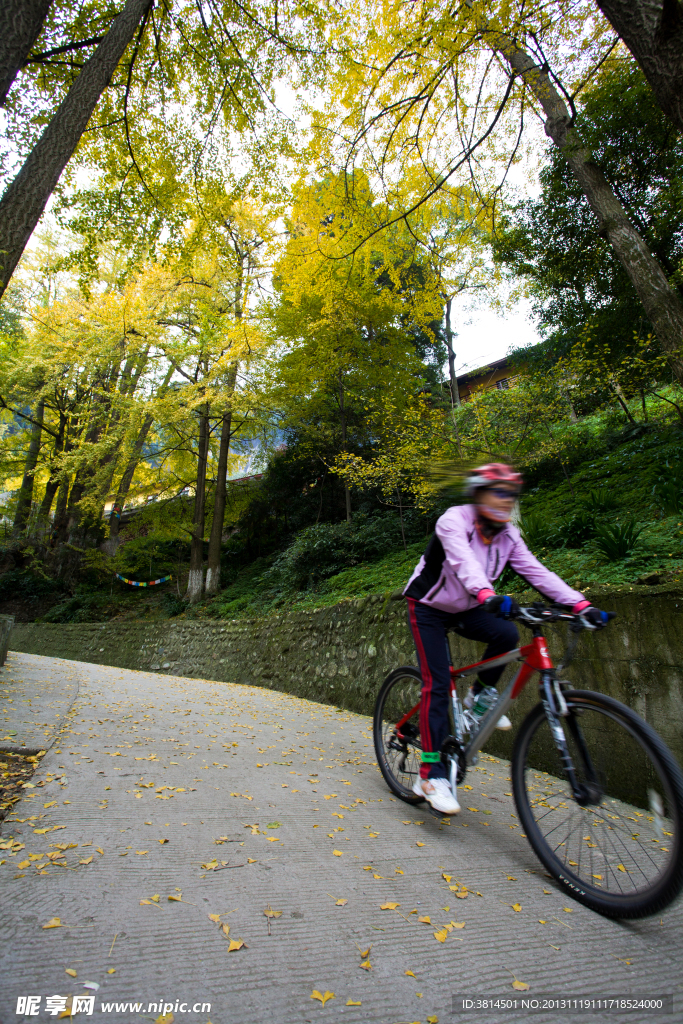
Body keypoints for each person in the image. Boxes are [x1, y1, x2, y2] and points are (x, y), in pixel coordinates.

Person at [403, 462, 609, 815]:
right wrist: (486, 594)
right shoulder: (454, 520)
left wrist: (580, 604)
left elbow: (536, 571)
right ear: (479, 494)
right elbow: (464, 560)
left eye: (511, 495)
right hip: (429, 607)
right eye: (498, 493)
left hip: (469, 605)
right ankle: (430, 775)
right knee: (436, 686)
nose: (505, 501)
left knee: (508, 634)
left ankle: (478, 696)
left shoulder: (509, 535)